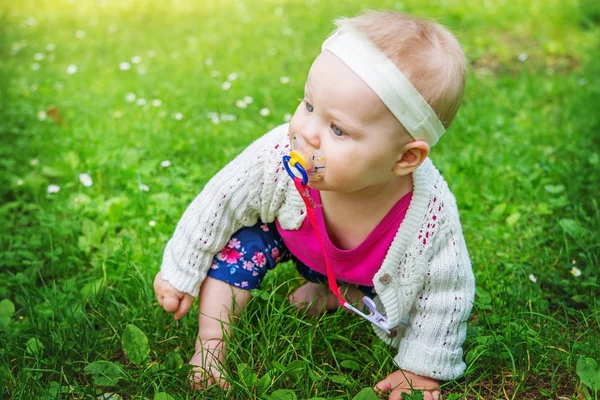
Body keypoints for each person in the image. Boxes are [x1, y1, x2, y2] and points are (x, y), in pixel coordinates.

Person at [154, 10, 475, 400]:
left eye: (337, 129)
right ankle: (211, 347)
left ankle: (339, 294)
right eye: (308, 105)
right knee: (241, 243)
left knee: (409, 305)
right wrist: (181, 269)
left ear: (405, 158)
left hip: (371, 273)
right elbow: (221, 201)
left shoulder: (429, 217)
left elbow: (445, 291)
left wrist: (421, 369)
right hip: (296, 243)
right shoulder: (278, 155)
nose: (307, 132)